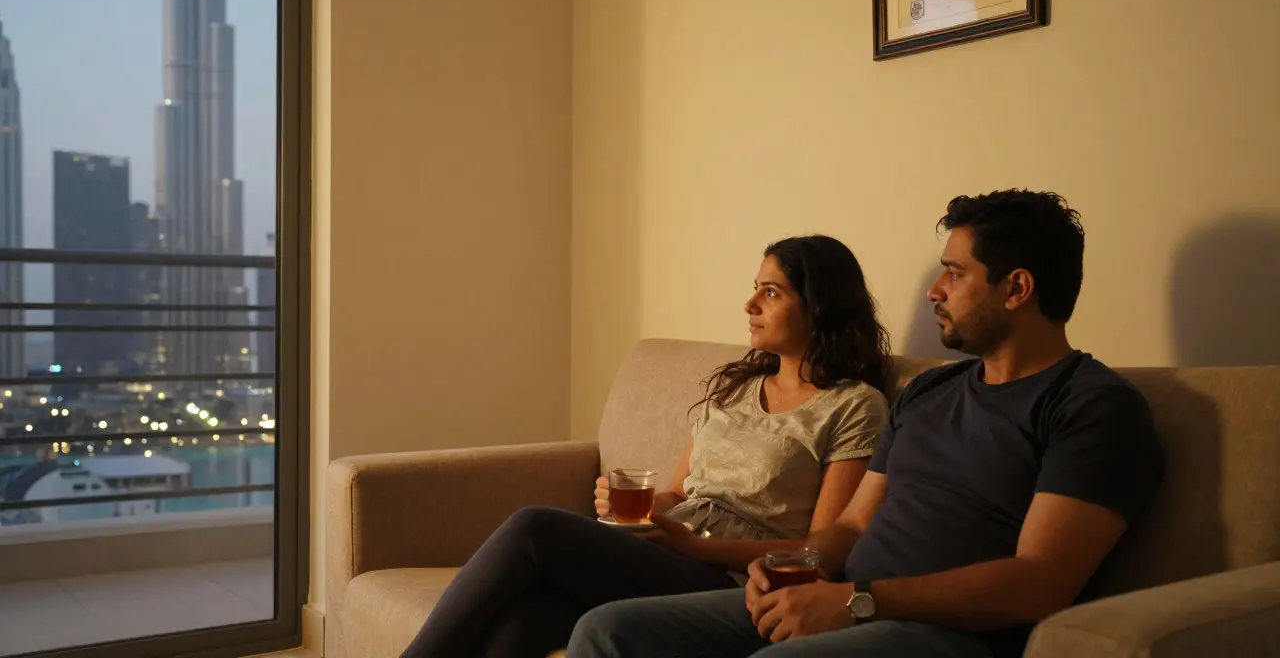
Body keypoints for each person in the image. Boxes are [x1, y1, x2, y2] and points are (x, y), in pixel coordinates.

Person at [567, 190, 1166, 658]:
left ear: (1017, 289)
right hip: (850, 601)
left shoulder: (1091, 407)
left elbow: (1037, 582)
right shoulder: (930, 391)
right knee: (609, 632)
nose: (934, 290)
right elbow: (852, 528)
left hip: (945, 636)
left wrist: (857, 603)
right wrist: (786, 566)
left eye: (955, 274)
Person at [400, 235, 895, 658]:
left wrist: (698, 545)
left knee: (534, 529)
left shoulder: (854, 406)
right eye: (754, 289)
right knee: (530, 619)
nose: (750, 305)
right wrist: (637, 510)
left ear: (820, 306)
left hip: (728, 579)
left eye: (771, 293)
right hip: (672, 553)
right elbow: (679, 495)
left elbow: (820, 549)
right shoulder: (736, 387)